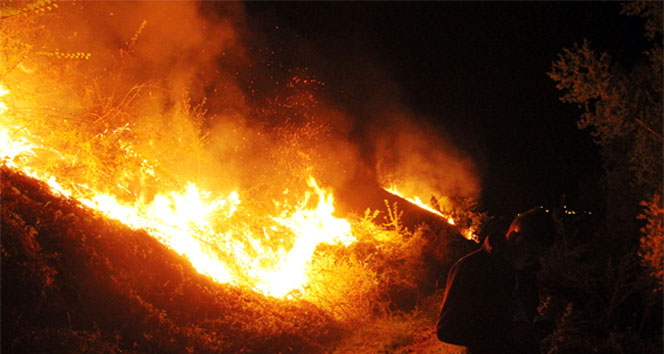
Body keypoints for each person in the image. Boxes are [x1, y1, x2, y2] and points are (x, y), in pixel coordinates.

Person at [436, 207, 557, 354]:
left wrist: (539, 326)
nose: (535, 261)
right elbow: (447, 329)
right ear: (513, 237)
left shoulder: (526, 271)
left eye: (540, 255)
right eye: (531, 252)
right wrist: (507, 334)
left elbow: (524, 317)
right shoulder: (472, 268)